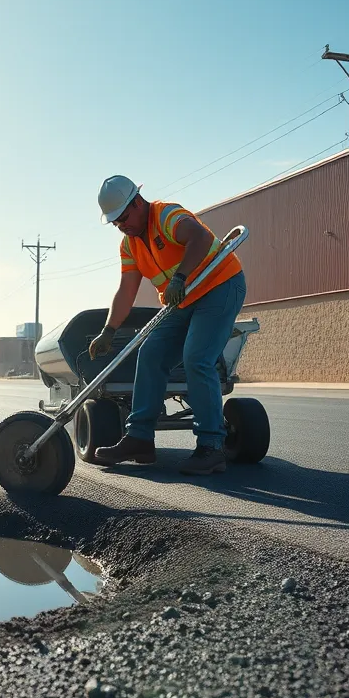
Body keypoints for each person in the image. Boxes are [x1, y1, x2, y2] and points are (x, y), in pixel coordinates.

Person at [88, 175, 247, 474]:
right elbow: (126, 290)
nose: (122, 225)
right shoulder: (129, 245)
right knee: (150, 354)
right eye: (115, 223)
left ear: (137, 202)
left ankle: (212, 447)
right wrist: (109, 330)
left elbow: (198, 237)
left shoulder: (166, 215)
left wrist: (180, 277)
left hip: (219, 285)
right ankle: (140, 439)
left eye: (123, 217)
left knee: (197, 359)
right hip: (183, 299)